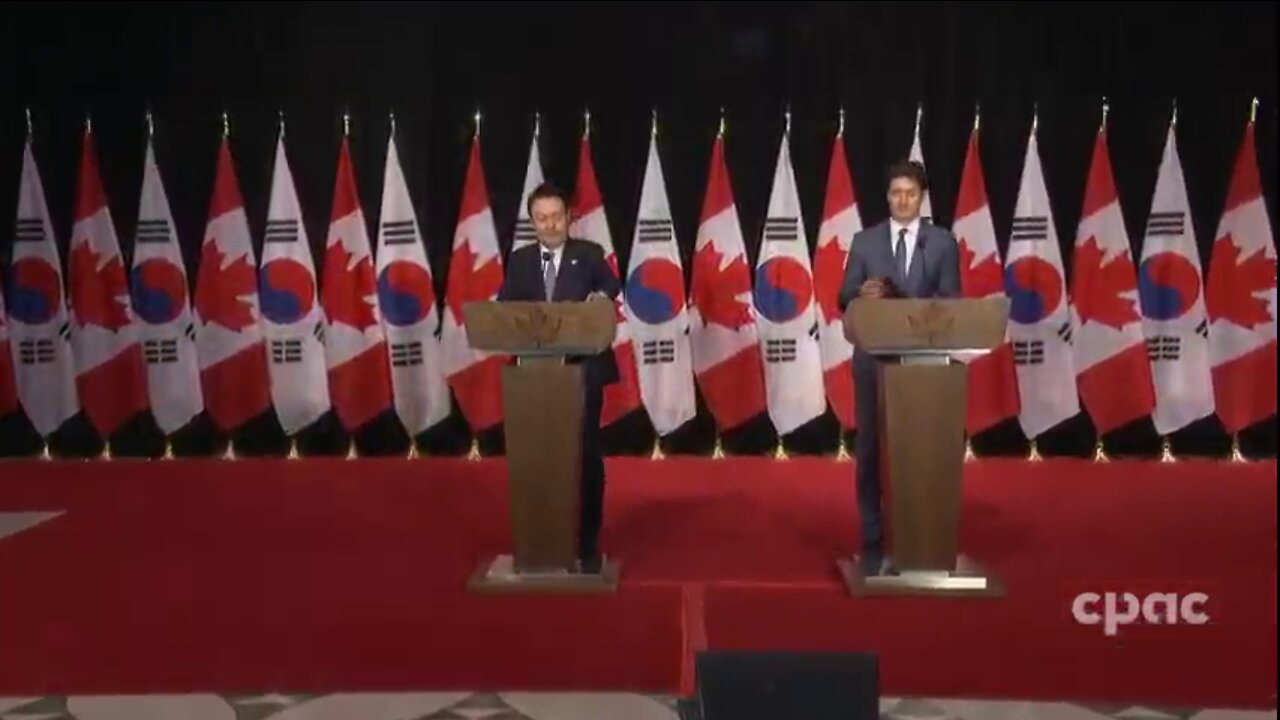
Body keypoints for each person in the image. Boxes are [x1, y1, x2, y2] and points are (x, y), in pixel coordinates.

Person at [836, 160, 961, 575]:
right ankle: (873, 538)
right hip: (872, 361)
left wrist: (899, 294)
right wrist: (862, 291)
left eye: (910, 193)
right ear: (887, 196)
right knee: (871, 448)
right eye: (895, 193)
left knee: (919, 452)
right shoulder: (865, 241)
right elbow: (843, 295)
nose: (902, 200)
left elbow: (952, 302)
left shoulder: (941, 243)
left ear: (921, 197)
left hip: (924, 367)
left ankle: (919, 537)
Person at [498, 182, 620, 574]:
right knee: (538, 460)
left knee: (584, 457)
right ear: (532, 222)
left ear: (569, 217)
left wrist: (599, 301)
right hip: (533, 378)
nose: (550, 224)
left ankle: (586, 545)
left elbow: (611, 286)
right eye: (542, 218)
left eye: (556, 216)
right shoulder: (519, 261)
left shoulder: (589, 255)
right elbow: (504, 308)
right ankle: (541, 543)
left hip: (582, 373)